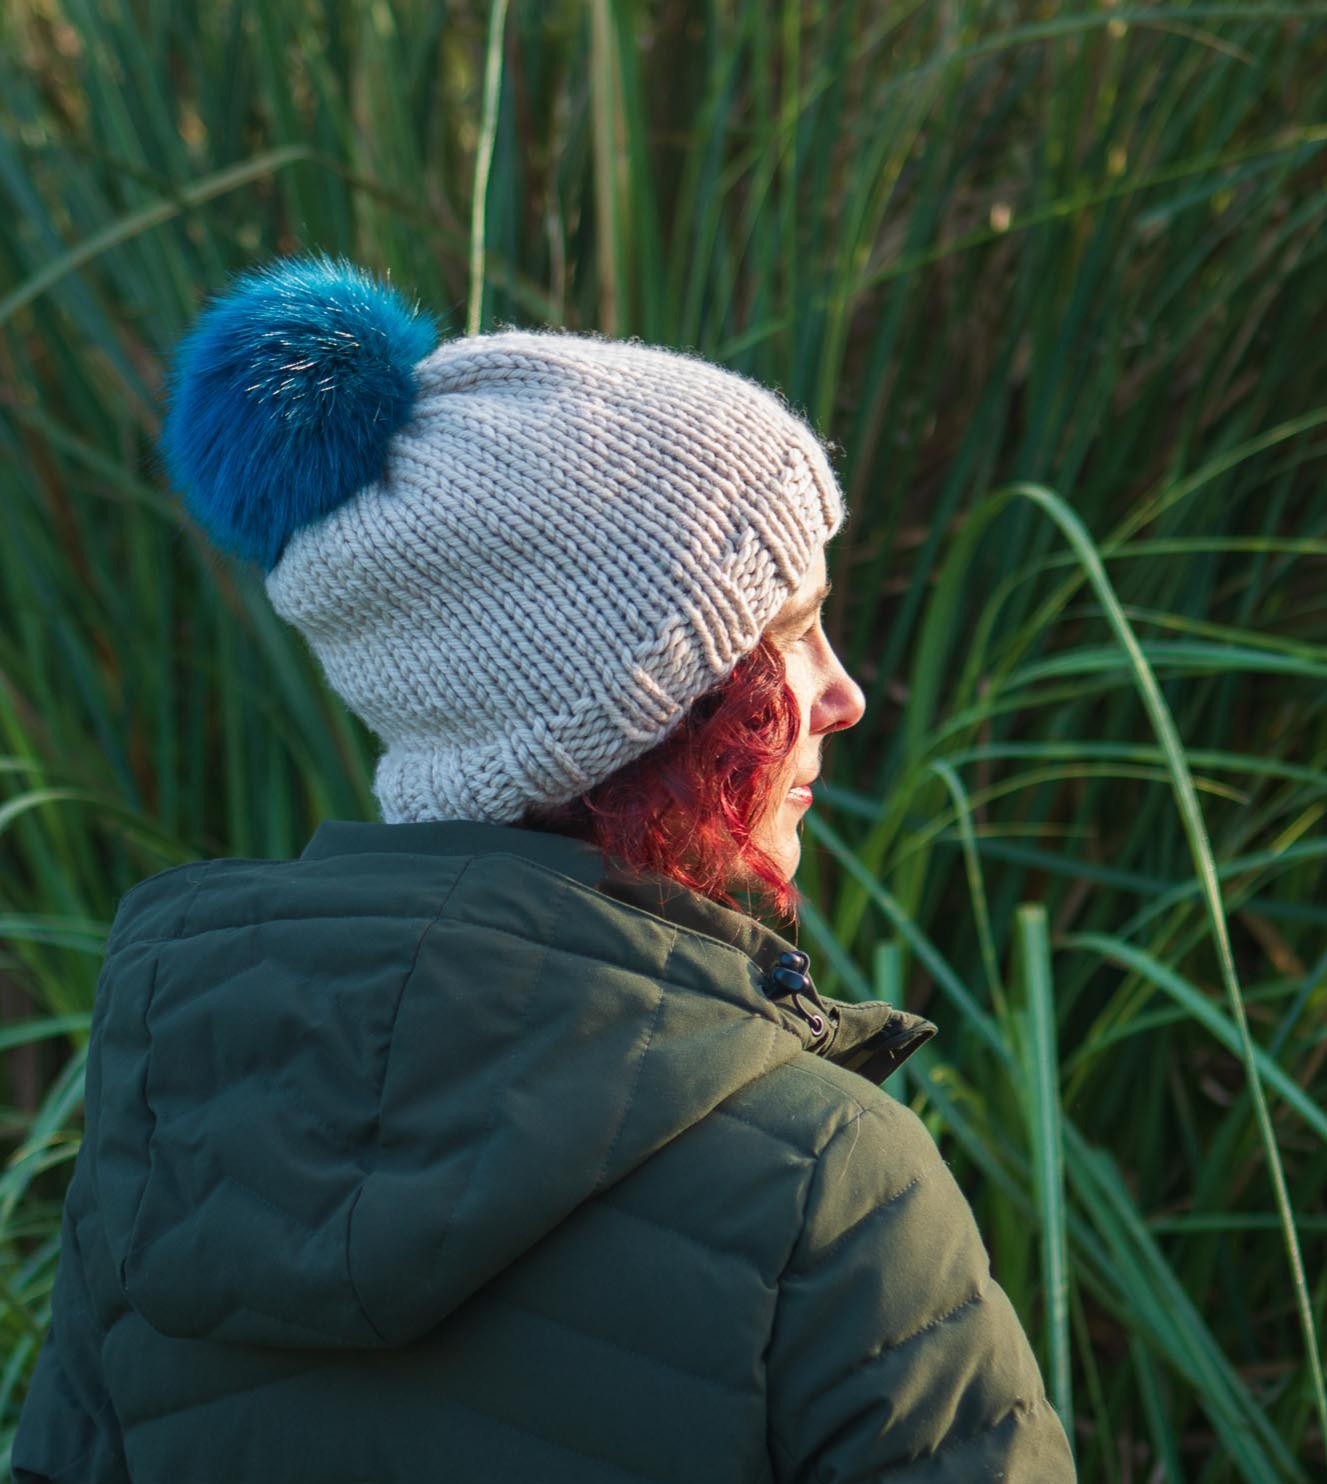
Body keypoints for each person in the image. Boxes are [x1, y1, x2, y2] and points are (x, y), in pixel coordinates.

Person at [13, 256, 1077, 1482]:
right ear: (635, 711)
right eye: (788, 633)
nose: (840, 693)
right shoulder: (828, 1185)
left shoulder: (170, 1131)